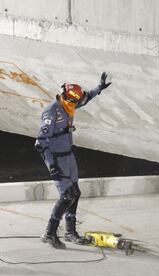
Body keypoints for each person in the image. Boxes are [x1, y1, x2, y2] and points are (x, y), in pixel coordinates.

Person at [34, 72, 112, 249]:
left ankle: (70, 232)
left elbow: (86, 98)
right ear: (66, 98)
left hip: (69, 156)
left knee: (75, 193)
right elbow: (41, 142)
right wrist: (51, 166)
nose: (77, 105)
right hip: (57, 159)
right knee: (66, 195)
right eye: (74, 103)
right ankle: (50, 233)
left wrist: (99, 88)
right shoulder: (51, 112)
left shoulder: (70, 104)